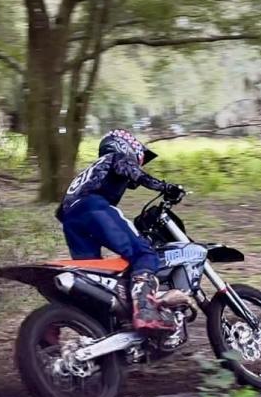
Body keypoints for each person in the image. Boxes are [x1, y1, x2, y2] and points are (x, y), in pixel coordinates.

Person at [56, 129, 184, 332]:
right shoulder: (117, 156)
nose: (139, 162)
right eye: (139, 158)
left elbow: (61, 210)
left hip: (71, 220)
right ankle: (145, 311)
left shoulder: (91, 169)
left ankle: (94, 328)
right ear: (126, 146)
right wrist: (165, 187)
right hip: (94, 208)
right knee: (144, 254)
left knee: (91, 278)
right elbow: (136, 174)